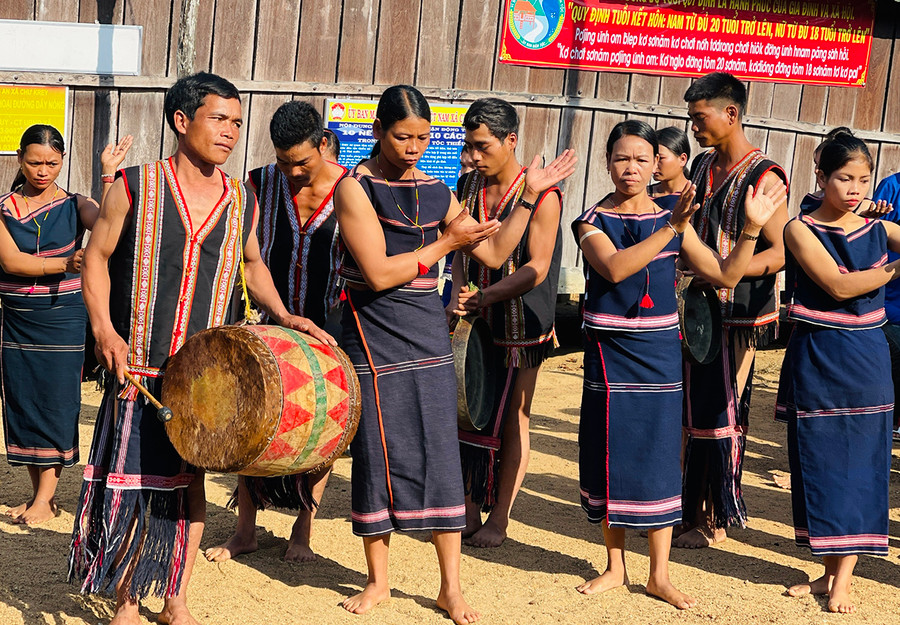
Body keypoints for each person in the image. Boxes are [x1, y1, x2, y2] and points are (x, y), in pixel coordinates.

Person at [68, 72, 333, 625]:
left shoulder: (242, 198)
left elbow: (253, 264)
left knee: (190, 486)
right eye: (220, 119)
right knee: (131, 486)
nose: (231, 132)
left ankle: (176, 599)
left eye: (238, 123)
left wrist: (285, 316)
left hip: (208, 376)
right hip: (136, 366)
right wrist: (104, 332)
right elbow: (96, 258)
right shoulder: (134, 185)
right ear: (182, 121)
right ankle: (125, 601)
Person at [334, 84, 575, 624]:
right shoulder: (355, 188)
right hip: (372, 327)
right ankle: (378, 581)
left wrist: (529, 197)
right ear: (377, 131)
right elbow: (377, 272)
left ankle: (450, 587)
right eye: (402, 137)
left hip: (426, 329)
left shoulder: (440, 191)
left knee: (442, 448)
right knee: (378, 447)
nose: (413, 147)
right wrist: (444, 245)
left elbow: (491, 249)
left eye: (422, 137)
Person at [573, 120, 783, 608]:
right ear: (607, 163)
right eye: (622, 158)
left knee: (661, 455)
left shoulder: (675, 218)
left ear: (656, 164)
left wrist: (751, 228)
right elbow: (616, 268)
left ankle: (659, 575)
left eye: (642, 159)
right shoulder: (591, 220)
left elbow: (726, 273)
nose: (631, 168)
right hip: (610, 351)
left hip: (660, 353)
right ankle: (614, 566)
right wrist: (672, 227)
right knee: (612, 452)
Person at [204, 100, 347, 564]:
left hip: (330, 322)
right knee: (251, 419)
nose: (291, 172)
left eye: (301, 162)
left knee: (324, 422)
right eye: (283, 161)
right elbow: (243, 253)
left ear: (324, 144)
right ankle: (245, 530)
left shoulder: (352, 190)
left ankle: (302, 532)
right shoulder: (260, 182)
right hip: (267, 322)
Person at [776, 134, 896, 614]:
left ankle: (843, 578)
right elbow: (839, 285)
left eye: (863, 179)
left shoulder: (878, 228)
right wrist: (895, 270)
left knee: (861, 463)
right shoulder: (799, 228)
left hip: (866, 356)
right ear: (820, 177)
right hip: (819, 355)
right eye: (843, 177)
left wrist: (878, 212)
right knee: (819, 462)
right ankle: (827, 572)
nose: (853, 187)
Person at [676, 72, 790, 549]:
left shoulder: (765, 174)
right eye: (690, 118)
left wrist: (727, 270)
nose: (693, 126)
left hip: (739, 313)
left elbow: (781, 251)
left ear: (731, 114)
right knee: (689, 407)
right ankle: (688, 508)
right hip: (699, 308)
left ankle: (714, 515)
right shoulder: (702, 165)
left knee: (722, 410)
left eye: (699, 117)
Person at [0, 125, 130, 525]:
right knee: (22, 402)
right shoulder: (3, 207)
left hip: (64, 318)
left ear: (62, 161)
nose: (43, 170)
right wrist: (63, 263)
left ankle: (46, 497)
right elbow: (10, 263)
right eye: (36, 162)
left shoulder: (76, 204)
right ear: (20, 158)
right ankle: (36, 492)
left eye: (53, 163)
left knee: (56, 402)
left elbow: (110, 223)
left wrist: (108, 173)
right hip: (17, 320)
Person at [448, 97, 563, 549]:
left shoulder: (543, 196)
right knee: (468, 407)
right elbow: (458, 248)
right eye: (468, 146)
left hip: (522, 321)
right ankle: (470, 507)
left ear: (510, 141)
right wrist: (459, 290)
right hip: (475, 317)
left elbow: (536, 266)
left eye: (482, 147)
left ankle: (500, 518)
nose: (472, 156)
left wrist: (486, 296)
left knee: (514, 416)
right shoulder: (466, 183)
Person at [649, 126, 690, 211]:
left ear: (682, 159)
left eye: (660, 158)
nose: (654, 164)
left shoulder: (693, 197)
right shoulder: (644, 195)